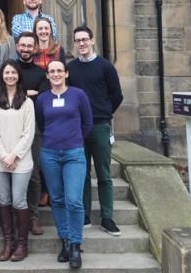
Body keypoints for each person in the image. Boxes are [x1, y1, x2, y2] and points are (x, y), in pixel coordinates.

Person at [66, 26, 123, 236]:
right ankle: (85, 215)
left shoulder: (105, 67)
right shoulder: (71, 68)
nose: (81, 43)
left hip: (99, 126)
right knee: (81, 174)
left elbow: (117, 95)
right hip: (78, 128)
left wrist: (105, 112)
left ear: (92, 41)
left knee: (104, 174)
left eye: (84, 39)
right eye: (77, 40)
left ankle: (107, 217)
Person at [35, 60, 93, 269]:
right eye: (52, 71)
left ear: (66, 73)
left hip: (73, 154)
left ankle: (76, 245)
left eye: (60, 70)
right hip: (49, 154)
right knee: (57, 200)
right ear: (48, 76)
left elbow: (87, 122)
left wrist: (75, 140)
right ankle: (65, 241)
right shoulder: (42, 99)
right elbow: (41, 123)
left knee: (74, 200)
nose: (56, 74)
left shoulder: (78, 95)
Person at [0, 60, 36, 262]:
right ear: (2, 76)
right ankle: (8, 243)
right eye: (7, 73)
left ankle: (22, 244)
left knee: (19, 200)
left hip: (21, 161)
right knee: (4, 200)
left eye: (13, 73)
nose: (10, 76)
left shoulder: (27, 102)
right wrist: (3, 156)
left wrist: (14, 155)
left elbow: (29, 133)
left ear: (18, 76)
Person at [13, 31, 49, 235]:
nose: (25, 49)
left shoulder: (39, 73)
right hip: (10, 127)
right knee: (13, 172)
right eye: (22, 45)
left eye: (29, 46)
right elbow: (5, 93)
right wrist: (27, 93)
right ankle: (16, 216)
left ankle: (33, 216)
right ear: (17, 46)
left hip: (33, 128)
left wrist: (19, 93)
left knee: (34, 174)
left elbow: (42, 99)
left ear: (35, 48)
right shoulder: (10, 68)